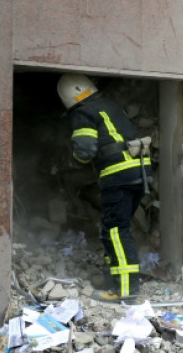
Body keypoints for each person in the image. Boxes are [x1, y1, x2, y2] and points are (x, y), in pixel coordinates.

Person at [58, 74, 152, 302]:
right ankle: (111, 276)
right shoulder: (109, 106)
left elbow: (85, 150)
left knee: (116, 230)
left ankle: (126, 289)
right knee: (111, 228)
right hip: (139, 173)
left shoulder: (82, 113)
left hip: (117, 174)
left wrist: (72, 162)